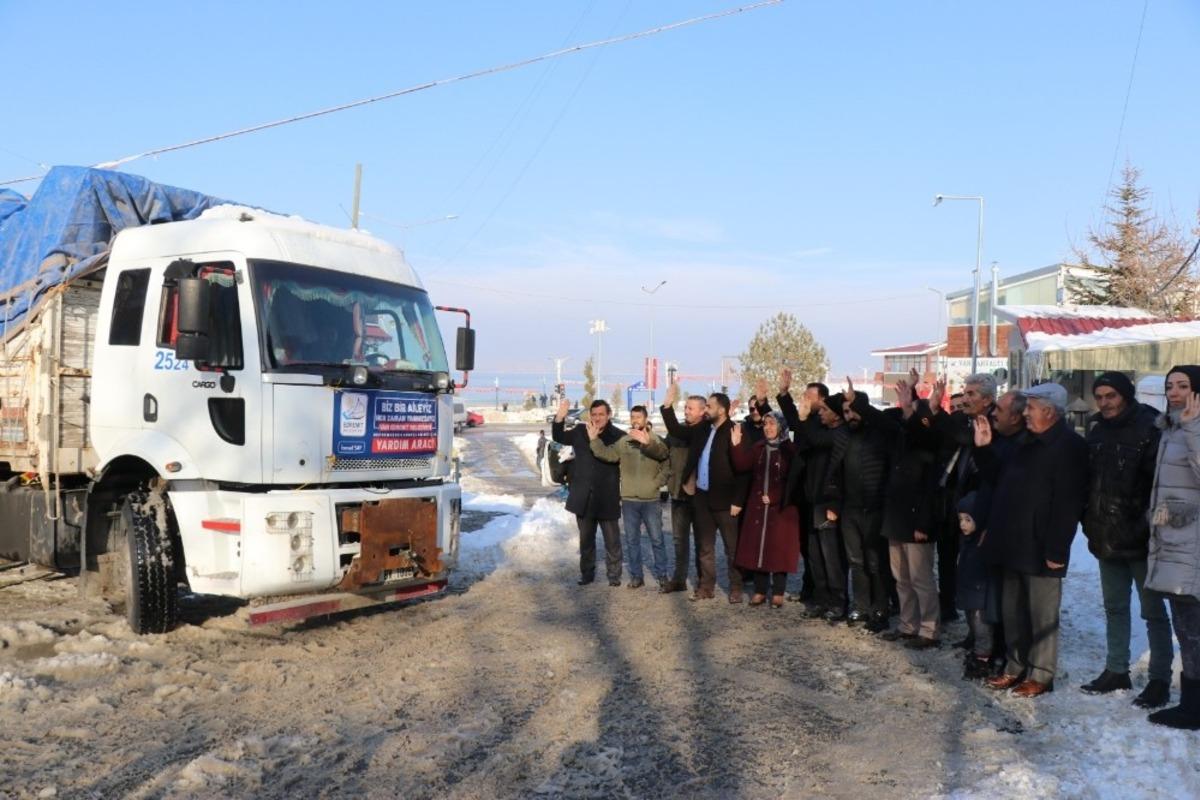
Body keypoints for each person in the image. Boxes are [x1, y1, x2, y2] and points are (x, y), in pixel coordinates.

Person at [982, 382, 1088, 698]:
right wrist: (984, 449)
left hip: (1043, 545)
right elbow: (998, 480)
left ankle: (1041, 674)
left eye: (1029, 408)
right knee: (1013, 611)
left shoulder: (1069, 446)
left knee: (1042, 614)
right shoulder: (1025, 441)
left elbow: (1068, 503)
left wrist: (1057, 549)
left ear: (1049, 411)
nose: (1024, 413)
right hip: (1013, 541)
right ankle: (1015, 667)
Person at [1079, 371, 1173, 709]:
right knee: (1114, 607)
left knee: (1153, 612)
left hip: (1142, 539)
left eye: (1111, 396)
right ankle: (1116, 669)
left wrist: (1148, 527)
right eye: (1100, 396)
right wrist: (1088, 521)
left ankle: (1159, 678)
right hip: (1105, 536)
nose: (1104, 403)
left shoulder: (1151, 427)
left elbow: (1161, 485)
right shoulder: (1097, 429)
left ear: (1126, 395)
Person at [1144, 366, 1200, 729]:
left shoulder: (1192, 427)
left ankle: (1192, 709)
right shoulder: (1172, 426)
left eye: (1183, 385)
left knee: (1194, 631)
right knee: (1186, 628)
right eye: (1169, 386)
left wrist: (1193, 427)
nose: (1174, 391)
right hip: (1174, 541)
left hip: (1194, 547)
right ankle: (1190, 704)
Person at [661, 383, 750, 602]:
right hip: (702, 498)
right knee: (705, 548)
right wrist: (667, 405)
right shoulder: (702, 429)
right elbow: (675, 430)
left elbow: (744, 471)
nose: (706, 409)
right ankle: (706, 587)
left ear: (721, 410)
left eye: (709, 406)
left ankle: (736, 588)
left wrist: (738, 500)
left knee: (732, 548)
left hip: (726, 500)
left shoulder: (735, 431)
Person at [930, 373, 1000, 622]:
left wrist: (938, 412)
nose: (966, 399)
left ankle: (981, 636)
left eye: (971, 394)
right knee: (948, 560)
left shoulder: (995, 422)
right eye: (965, 393)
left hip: (979, 505)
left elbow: (965, 438)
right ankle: (949, 607)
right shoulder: (963, 420)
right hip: (952, 499)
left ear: (988, 399)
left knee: (974, 570)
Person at [879, 374, 942, 647]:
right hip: (896, 519)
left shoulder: (929, 445)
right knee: (901, 579)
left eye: (914, 413)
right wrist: (907, 402)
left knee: (921, 580)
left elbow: (930, 491)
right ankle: (907, 625)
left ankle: (929, 629)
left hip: (918, 522)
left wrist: (924, 524)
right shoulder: (900, 440)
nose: (908, 417)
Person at [835, 379, 898, 631]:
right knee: (856, 561)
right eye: (847, 411)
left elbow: (888, 424)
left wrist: (858, 401)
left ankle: (880, 608)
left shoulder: (879, 434)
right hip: (850, 509)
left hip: (875, 508)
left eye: (854, 410)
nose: (850, 415)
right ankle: (861, 606)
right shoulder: (843, 436)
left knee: (876, 562)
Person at [782, 387, 850, 622]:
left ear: (837, 414)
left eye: (824, 410)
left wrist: (801, 419)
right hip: (813, 501)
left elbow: (815, 438)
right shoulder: (818, 429)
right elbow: (805, 435)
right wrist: (789, 404)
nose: (820, 413)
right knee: (815, 555)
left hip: (828, 503)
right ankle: (821, 600)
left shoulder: (840, 433)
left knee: (831, 557)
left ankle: (838, 602)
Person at [590, 405, 670, 590]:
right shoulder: (624, 441)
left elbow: (666, 462)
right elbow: (608, 455)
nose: (635, 420)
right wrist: (594, 440)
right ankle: (636, 576)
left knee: (657, 540)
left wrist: (656, 483)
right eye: (632, 417)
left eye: (639, 417)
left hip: (650, 500)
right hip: (629, 501)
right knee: (632, 541)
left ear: (645, 418)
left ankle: (662, 575)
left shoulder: (656, 440)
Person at [730, 411, 802, 607]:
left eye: (772, 424)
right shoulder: (759, 447)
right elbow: (741, 465)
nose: (768, 428)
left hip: (782, 509)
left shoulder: (790, 450)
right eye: (765, 425)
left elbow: (794, 480)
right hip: (758, 507)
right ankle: (760, 590)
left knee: (778, 548)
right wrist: (736, 444)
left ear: (780, 426)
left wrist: (776, 496)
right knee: (758, 548)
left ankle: (778, 591)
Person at [553, 398, 625, 586]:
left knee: (612, 542)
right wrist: (560, 417)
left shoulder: (618, 436)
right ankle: (587, 574)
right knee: (586, 541)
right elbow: (559, 437)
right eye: (594, 414)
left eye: (601, 414)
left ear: (609, 415)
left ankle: (614, 576)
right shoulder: (579, 431)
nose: (597, 418)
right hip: (583, 496)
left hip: (607, 496)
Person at [661, 392, 709, 593]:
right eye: (685, 407)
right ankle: (679, 580)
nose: (686, 411)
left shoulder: (706, 429)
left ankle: (703, 581)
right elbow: (664, 454)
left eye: (690, 408)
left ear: (702, 411)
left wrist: (667, 406)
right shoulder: (678, 431)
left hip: (700, 496)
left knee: (702, 540)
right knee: (679, 540)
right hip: (679, 494)